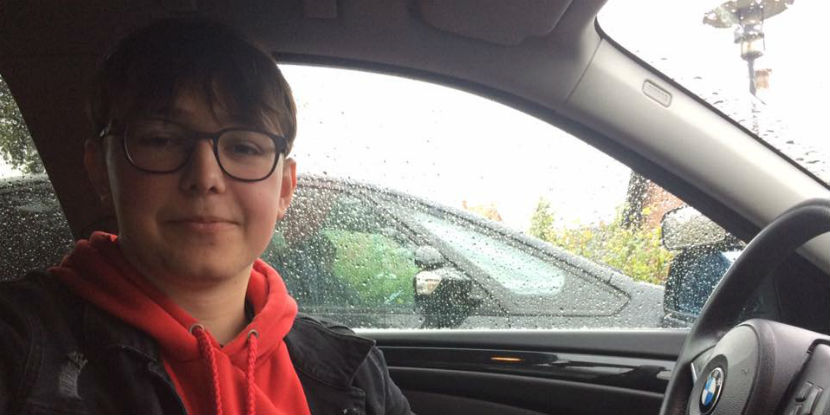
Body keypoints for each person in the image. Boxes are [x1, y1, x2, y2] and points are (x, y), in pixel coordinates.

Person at [0, 18, 413, 415]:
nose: (205, 177)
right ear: (100, 172)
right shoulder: (20, 347)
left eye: (244, 148)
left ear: (285, 188)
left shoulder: (356, 372)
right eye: (162, 140)